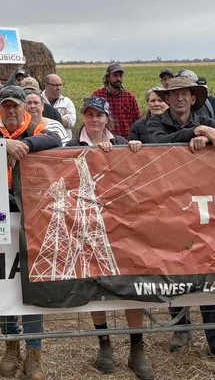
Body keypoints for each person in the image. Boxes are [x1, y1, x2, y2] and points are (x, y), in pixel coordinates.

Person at [146, 76, 215, 364]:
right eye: (173, 94)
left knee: (210, 272)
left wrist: (208, 138)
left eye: (184, 94)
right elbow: (156, 144)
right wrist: (192, 133)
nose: (178, 99)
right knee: (175, 269)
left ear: (193, 97)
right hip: (171, 208)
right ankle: (180, 329)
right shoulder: (155, 122)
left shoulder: (209, 119)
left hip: (205, 209)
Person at [0, 85, 61, 380]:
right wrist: (3, 147)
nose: (11, 111)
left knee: (32, 282)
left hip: (32, 214)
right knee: (1, 281)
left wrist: (27, 146)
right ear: (0, 107)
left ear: (25, 107)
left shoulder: (38, 126)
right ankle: (11, 345)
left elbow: (57, 139)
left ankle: (34, 352)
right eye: (6, 106)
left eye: (16, 106)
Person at [68, 98, 151, 379]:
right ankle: (104, 343)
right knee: (94, 286)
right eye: (89, 115)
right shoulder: (70, 146)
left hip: (121, 225)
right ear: (84, 117)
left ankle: (136, 346)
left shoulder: (123, 142)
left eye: (99, 115)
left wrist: (133, 151)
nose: (94, 120)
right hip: (86, 225)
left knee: (131, 284)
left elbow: (134, 178)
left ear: (107, 118)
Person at [91, 64, 141, 139]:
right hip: (104, 141)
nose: (118, 78)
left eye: (121, 76)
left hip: (126, 141)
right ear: (108, 77)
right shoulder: (98, 96)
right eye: (115, 75)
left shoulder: (130, 97)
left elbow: (137, 121)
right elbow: (93, 118)